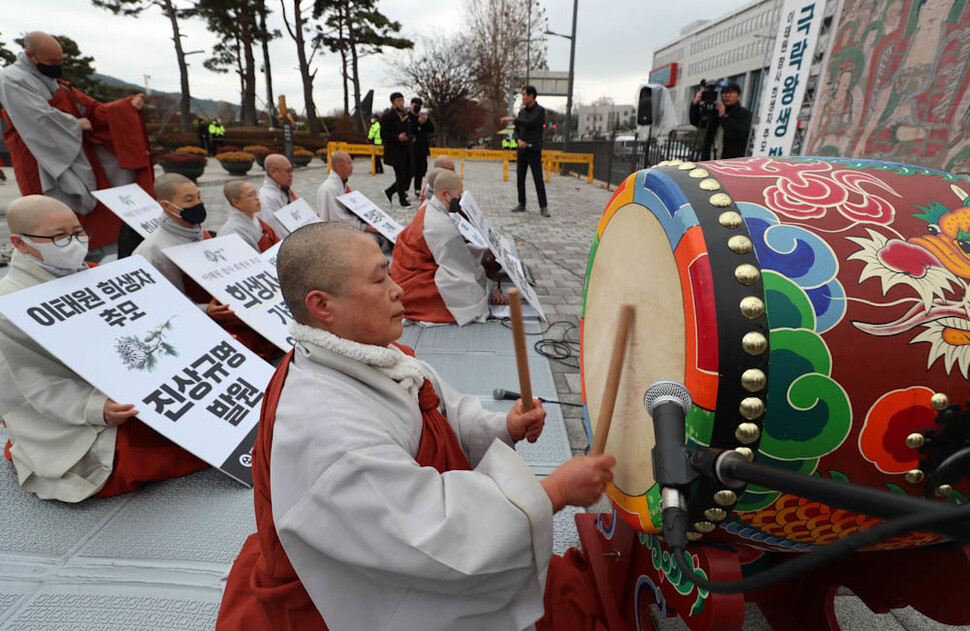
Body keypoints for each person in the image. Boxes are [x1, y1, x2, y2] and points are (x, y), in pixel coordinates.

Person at [216, 221, 614, 630]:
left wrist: (503, 426)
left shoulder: (370, 352)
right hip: (357, 589)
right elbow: (430, 531)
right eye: (378, 279)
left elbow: (445, 411)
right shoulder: (327, 427)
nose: (398, 288)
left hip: (394, 534)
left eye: (388, 271)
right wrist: (556, 491)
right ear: (322, 306)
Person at [0, 195, 207, 502]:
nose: (75, 242)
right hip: (77, 410)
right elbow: (28, 382)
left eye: (79, 231)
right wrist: (96, 407)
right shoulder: (11, 305)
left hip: (135, 379)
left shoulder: (94, 272)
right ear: (20, 243)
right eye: (59, 236)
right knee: (154, 446)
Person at [0, 31, 153, 254]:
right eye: (52, 62)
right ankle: (52, 260)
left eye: (60, 62)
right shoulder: (11, 78)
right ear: (30, 56)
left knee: (91, 216)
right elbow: (37, 118)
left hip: (74, 153)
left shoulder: (56, 82)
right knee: (47, 215)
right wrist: (74, 125)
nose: (57, 67)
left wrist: (127, 107)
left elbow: (90, 109)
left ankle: (89, 257)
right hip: (37, 157)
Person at [133, 173, 279, 360]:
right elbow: (162, 303)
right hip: (199, 324)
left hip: (227, 310)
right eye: (189, 200)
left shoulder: (201, 232)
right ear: (166, 206)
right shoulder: (154, 250)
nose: (198, 204)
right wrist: (205, 310)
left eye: (199, 197)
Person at [391, 171, 508, 325]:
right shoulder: (440, 224)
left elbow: (457, 249)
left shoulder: (431, 209)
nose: (460, 200)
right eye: (458, 195)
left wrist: (484, 253)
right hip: (414, 282)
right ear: (445, 194)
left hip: (412, 267)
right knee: (471, 293)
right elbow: (460, 265)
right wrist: (486, 271)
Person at [501, 86, 549, 217]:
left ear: (532, 96)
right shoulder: (521, 112)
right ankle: (521, 203)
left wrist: (513, 119)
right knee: (520, 178)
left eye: (525, 95)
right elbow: (516, 130)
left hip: (534, 150)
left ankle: (543, 206)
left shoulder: (540, 111)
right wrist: (518, 141)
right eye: (522, 95)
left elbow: (531, 123)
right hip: (521, 150)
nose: (523, 98)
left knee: (538, 178)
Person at [689, 82, 752, 161]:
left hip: (730, 161)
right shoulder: (715, 111)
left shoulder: (744, 114)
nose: (727, 95)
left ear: (738, 96)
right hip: (709, 158)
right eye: (724, 92)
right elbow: (696, 122)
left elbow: (739, 134)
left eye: (731, 93)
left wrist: (723, 116)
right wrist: (695, 104)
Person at [219, 179, 280, 253]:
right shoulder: (230, 232)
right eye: (251, 195)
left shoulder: (259, 223)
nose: (257, 198)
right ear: (236, 202)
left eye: (255, 193)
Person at [380, 92, 412, 207]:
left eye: (402, 100)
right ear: (393, 102)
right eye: (399, 100)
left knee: (408, 174)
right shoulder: (388, 115)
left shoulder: (405, 115)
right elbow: (383, 133)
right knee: (400, 175)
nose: (401, 103)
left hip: (406, 149)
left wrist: (410, 137)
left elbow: (408, 129)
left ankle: (389, 191)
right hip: (394, 151)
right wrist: (397, 137)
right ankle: (402, 199)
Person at [315, 151, 360, 229]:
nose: (352, 167)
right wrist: (363, 226)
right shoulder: (329, 189)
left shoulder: (342, 184)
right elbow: (337, 218)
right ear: (338, 167)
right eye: (349, 164)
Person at [257, 154, 297, 239]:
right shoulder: (266, 199)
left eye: (291, 171)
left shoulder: (285, 191)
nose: (291, 175)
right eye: (288, 171)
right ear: (273, 172)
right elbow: (277, 232)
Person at [409, 97, 434, 199]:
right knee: (410, 170)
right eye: (415, 105)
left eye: (418, 106)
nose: (417, 108)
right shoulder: (409, 117)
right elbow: (410, 130)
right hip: (411, 148)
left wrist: (426, 120)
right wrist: (418, 122)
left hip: (422, 148)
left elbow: (432, 130)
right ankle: (403, 189)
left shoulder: (424, 116)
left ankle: (417, 189)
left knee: (421, 170)